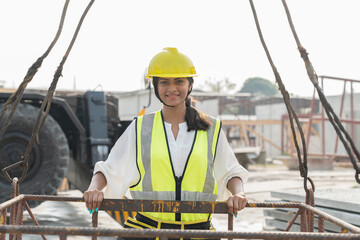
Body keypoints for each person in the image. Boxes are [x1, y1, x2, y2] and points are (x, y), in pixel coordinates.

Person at [83, 47, 248, 239]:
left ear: (190, 84)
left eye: (179, 81)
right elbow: (109, 169)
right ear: (155, 86)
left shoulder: (212, 129)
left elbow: (230, 172)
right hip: (146, 230)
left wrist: (239, 194)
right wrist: (94, 189)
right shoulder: (141, 127)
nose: (172, 89)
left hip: (198, 232)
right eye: (164, 82)